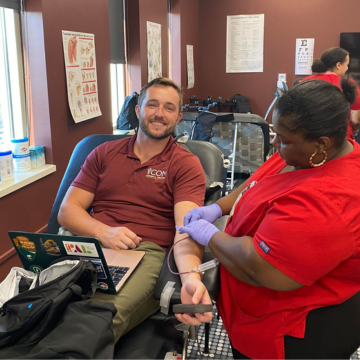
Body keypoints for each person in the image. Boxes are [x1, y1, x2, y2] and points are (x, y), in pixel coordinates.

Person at [177, 78, 360, 360]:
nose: (274, 142)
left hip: (293, 329)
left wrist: (210, 235)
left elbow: (259, 267)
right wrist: (219, 208)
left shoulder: (330, 200)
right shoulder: (305, 153)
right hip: (253, 305)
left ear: (321, 144)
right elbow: (257, 182)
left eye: (282, 139)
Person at [58, 77, 212, 342]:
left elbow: (185, 230)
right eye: (152, 105)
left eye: (168, 108)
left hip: (144, 251)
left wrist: (190, 277)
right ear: (138, 109)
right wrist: (103, 232)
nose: (159, 114)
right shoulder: (103, 153)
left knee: (92, 322)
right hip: (86, 241)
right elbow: (67, 211)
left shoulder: (185, 165)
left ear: (178, 117)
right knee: (35, 303)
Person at [302, 47, 360, 139]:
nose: (347, 68)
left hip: (309, 137)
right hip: (340, 138)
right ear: (338, 65)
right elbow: (355, 120)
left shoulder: (305, 82)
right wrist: (355, 131)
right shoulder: (348, 84)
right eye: (346, 65)